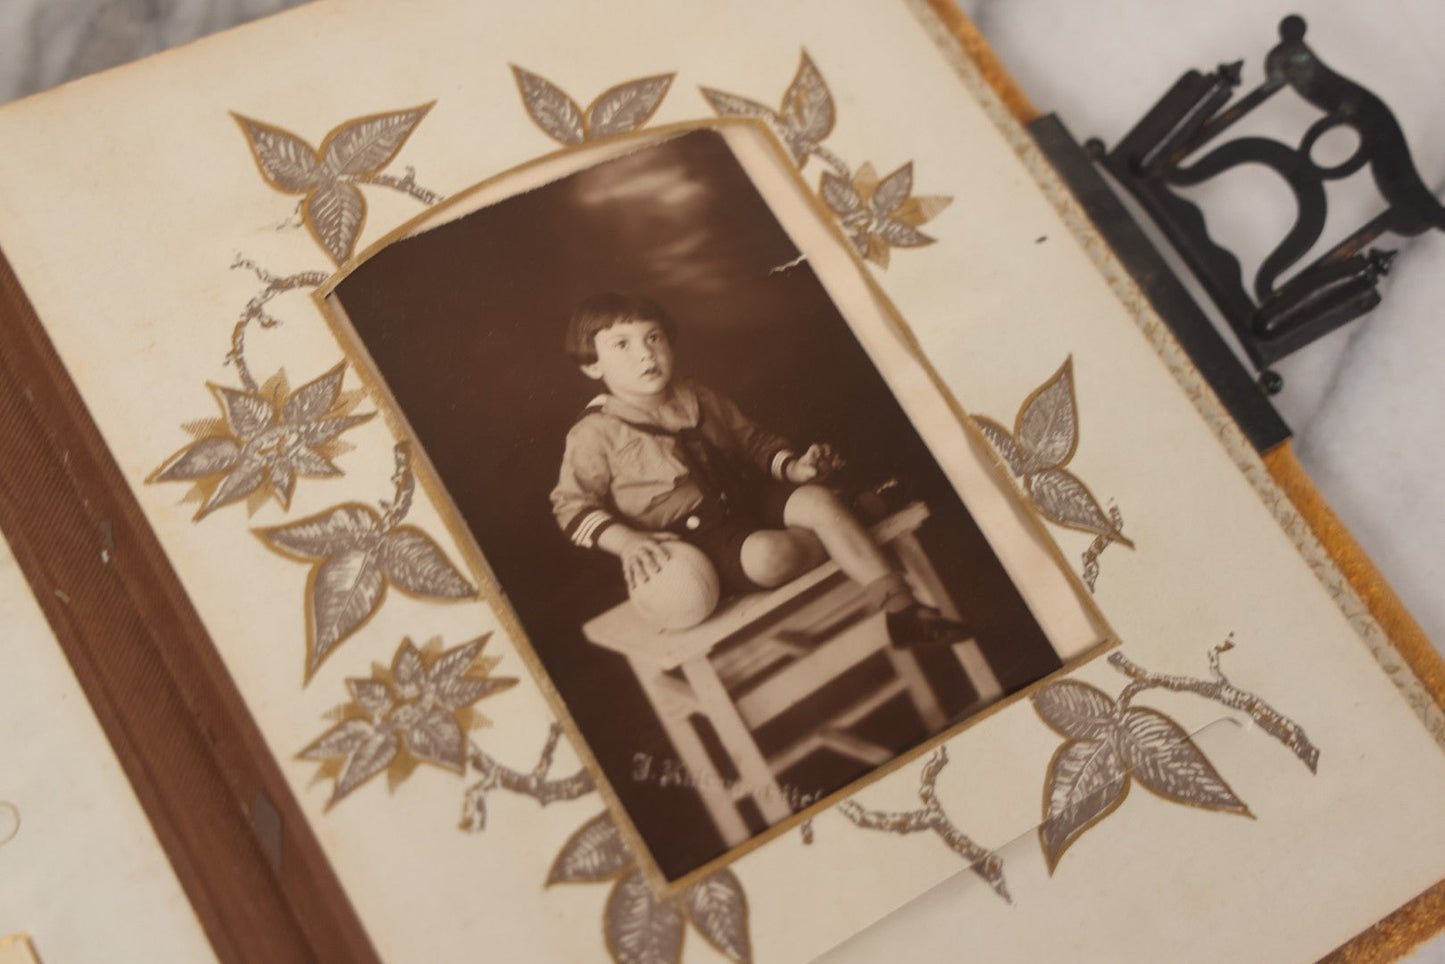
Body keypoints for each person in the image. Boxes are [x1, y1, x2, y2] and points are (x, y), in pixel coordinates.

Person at [549, 292, 970, 649]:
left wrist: (794, 469)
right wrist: (626, 542)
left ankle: (902, 609)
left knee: (815, 499)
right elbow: (571, 507)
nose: (645, 353)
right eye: (621, 344)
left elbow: (754, 444)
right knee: (772, 556)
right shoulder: (594, 434)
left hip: (750, 496)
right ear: (592, 364)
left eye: (654, 337)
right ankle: (860, 511)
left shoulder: (698, 396)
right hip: (701, 538)